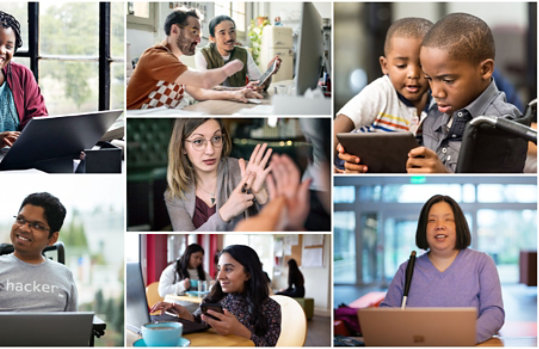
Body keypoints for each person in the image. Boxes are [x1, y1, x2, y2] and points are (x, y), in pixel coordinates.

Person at [406, 13, 521, 173]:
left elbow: (492, 189)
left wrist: (444, 176)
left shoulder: (503, 124)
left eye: (447, 80)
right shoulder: (433, 113)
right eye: (429, 79)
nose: (436, 92)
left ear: (485, 70)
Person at [380, 195, 504, 343]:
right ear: (423, 228)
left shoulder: (481, 263)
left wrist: (462, 339)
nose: (439, 225)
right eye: (432, 220)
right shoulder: (407, 269)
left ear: (459, 225)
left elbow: (494, 313)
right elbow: (385, 317)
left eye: (448, 219)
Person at [334, 17, 433, 173]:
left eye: (422, 65)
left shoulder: (438, 100)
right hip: (357, 168)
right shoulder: (380, 91)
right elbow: (340, 123)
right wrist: (331, 169)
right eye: (401, 65)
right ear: (385, 66)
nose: (413, 74)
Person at [126, 7, 262, 110]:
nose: (198, 39)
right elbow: (205, 81)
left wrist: (239, 91)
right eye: (194, 32)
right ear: (175, 30)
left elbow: (199, 92)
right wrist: (226, 70)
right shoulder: (156, 57)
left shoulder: (174, 64)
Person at [151, 245, 281, 346]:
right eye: (219, 269)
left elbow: (270, 345)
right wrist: (185, 314)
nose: (219, 276)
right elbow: (201, 322)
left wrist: (240, 331)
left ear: (248, 274)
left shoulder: (271, 307)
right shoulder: (218, 299)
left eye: (228, 269)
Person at [165, 118, 272, 231]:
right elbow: (188, 237)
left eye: (216, 138)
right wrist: (225, 213)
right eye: (198, 141)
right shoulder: (174, 194)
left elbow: (278, 224)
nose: (210, 151)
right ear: (182, 147)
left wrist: (262, 196)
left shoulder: (246, 172)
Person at [0, 192, 77, 312]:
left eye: (36, 226)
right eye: (20, 220)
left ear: (52, 238)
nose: (24, 228)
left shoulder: (65, 275)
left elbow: (72, 325)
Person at [195, 15, 281, 91]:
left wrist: (269, 73)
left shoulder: (243, 53)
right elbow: (205, 87)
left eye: (232, 31)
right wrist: (243, 89)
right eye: (222, 33)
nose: (229, 37)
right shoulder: (203, 54)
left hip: (238, 103)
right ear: (212, 38)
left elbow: (259, 85)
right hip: (212, 104)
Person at [0, 11, 47, 147]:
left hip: (16, 159)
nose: (2, 51)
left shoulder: (22, 74)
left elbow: (38, 121)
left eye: (8, 46)